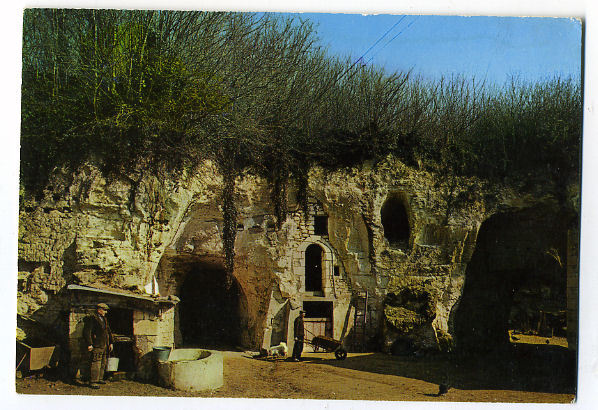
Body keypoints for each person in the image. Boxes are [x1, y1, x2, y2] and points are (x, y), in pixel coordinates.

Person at [83, 302, 113, 389]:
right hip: (97, 344)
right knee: (96, 362)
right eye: (104, 310)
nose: (106, 312)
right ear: (99, 310)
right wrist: (89, 344)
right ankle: (93, 381)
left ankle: (100, 378)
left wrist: (111, 342)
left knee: (103, 362)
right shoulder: (92, 319)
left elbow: (108, 331)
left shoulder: (104, 319)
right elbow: (86, 332)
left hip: (104, 344)